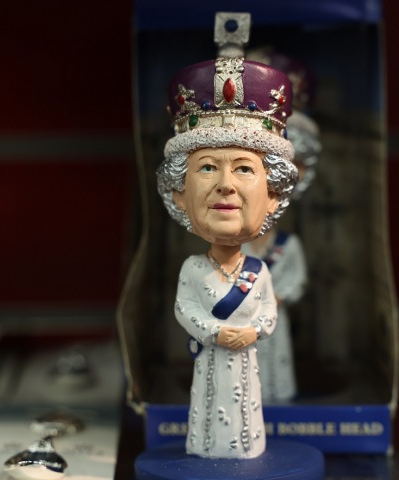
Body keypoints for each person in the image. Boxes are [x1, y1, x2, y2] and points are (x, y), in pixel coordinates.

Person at [156, 13, 297, 459]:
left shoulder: (258, 270)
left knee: (246, 414)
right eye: (206, 167)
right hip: (212, 360)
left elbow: (269, 312)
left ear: (273, 195)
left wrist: (252, 331)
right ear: (180, 195)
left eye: (243, 169)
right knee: (209, 414)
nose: (225, 186)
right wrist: (216, 331)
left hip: (246, 363)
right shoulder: (194, 268)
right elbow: (184, 308)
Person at [242, 51, 322, 403]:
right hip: (240, 316)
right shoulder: (235, 243)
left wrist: (280, 296)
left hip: (273, 316)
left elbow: (297, 279)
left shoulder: (287, 244)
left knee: (275, 360)